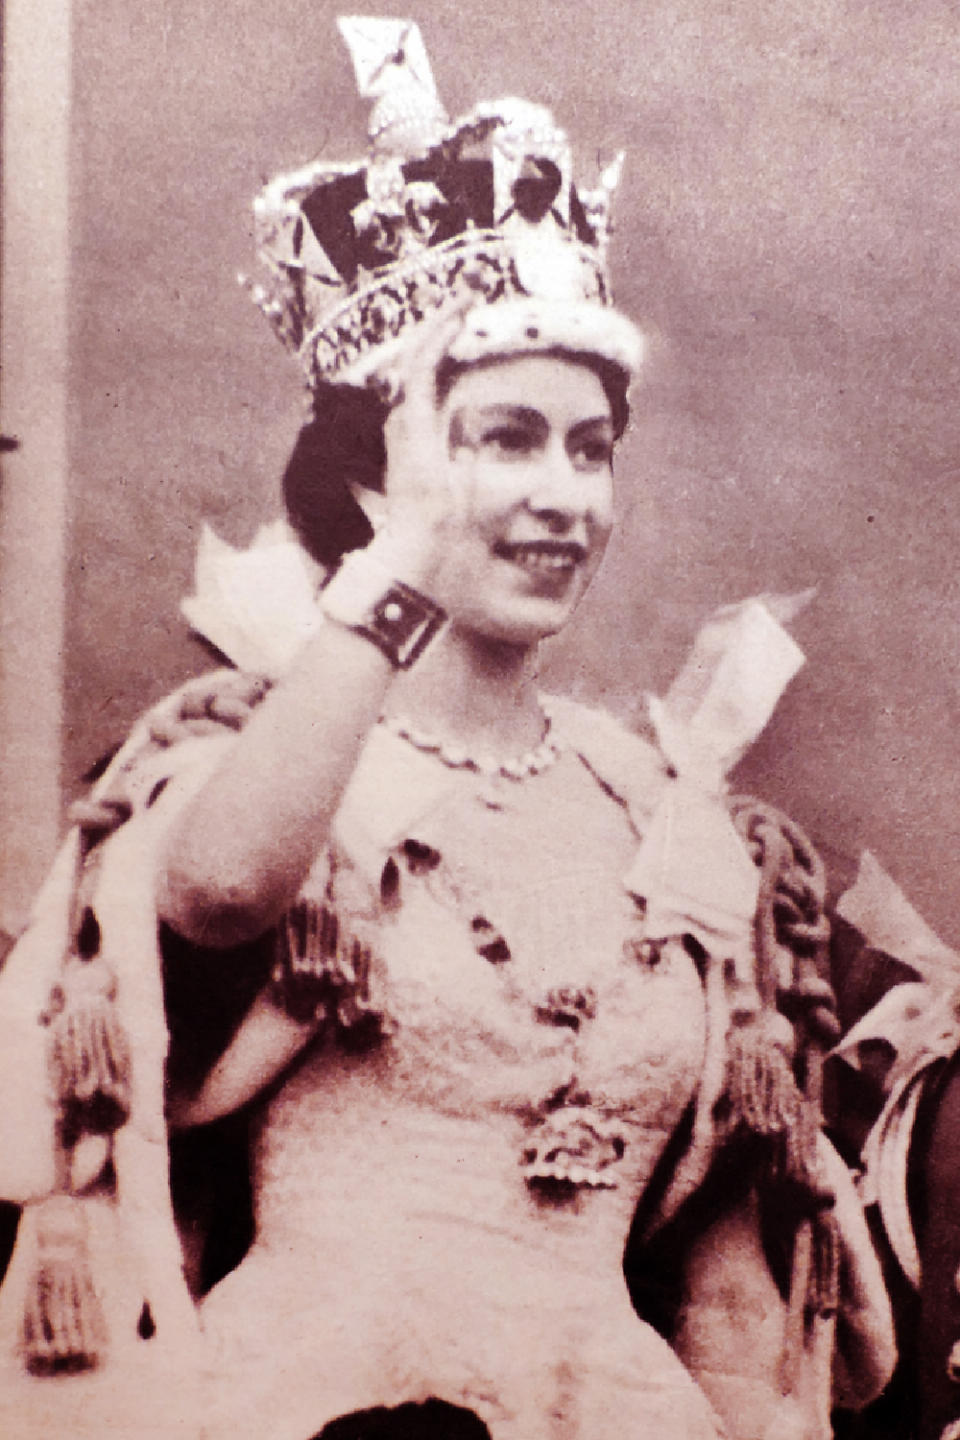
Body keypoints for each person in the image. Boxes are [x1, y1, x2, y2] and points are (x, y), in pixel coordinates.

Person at [0, 17, 895, 1440]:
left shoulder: (660, 813)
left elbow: (728, 1298)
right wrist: (405, 565)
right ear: (374, 482)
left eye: (590, 446)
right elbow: (224, 894)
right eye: (505, 437)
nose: (565, 495)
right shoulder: (265, 755)